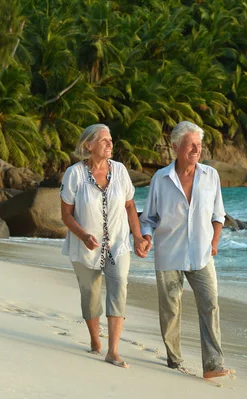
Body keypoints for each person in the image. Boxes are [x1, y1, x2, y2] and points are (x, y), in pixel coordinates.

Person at [139, 121, 231, 379]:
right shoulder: (161, 178)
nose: (196, 149)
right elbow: (149, 218)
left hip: (202, 254)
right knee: (171, 309)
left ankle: (213, 364)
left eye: (199, 145)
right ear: (176, 146)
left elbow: (219, 214)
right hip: (169, 253)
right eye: (190, 144)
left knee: (210, 304)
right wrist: (145, 237)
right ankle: (174, 360)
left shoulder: (210, 176)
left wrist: (214, 242)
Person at [60, 124, 150, 369]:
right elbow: (66, 215)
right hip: (85, 246)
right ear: (89, 146)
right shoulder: (74, 174)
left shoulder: (120, 171)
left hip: (117, 244)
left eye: (111, 139)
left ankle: (113, 350)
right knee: (90, 296)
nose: (110, 144)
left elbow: (130, 206)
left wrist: (138, 236)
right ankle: (94, 341)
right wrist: (82, 235)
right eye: (103, 140)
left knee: (119, 287)